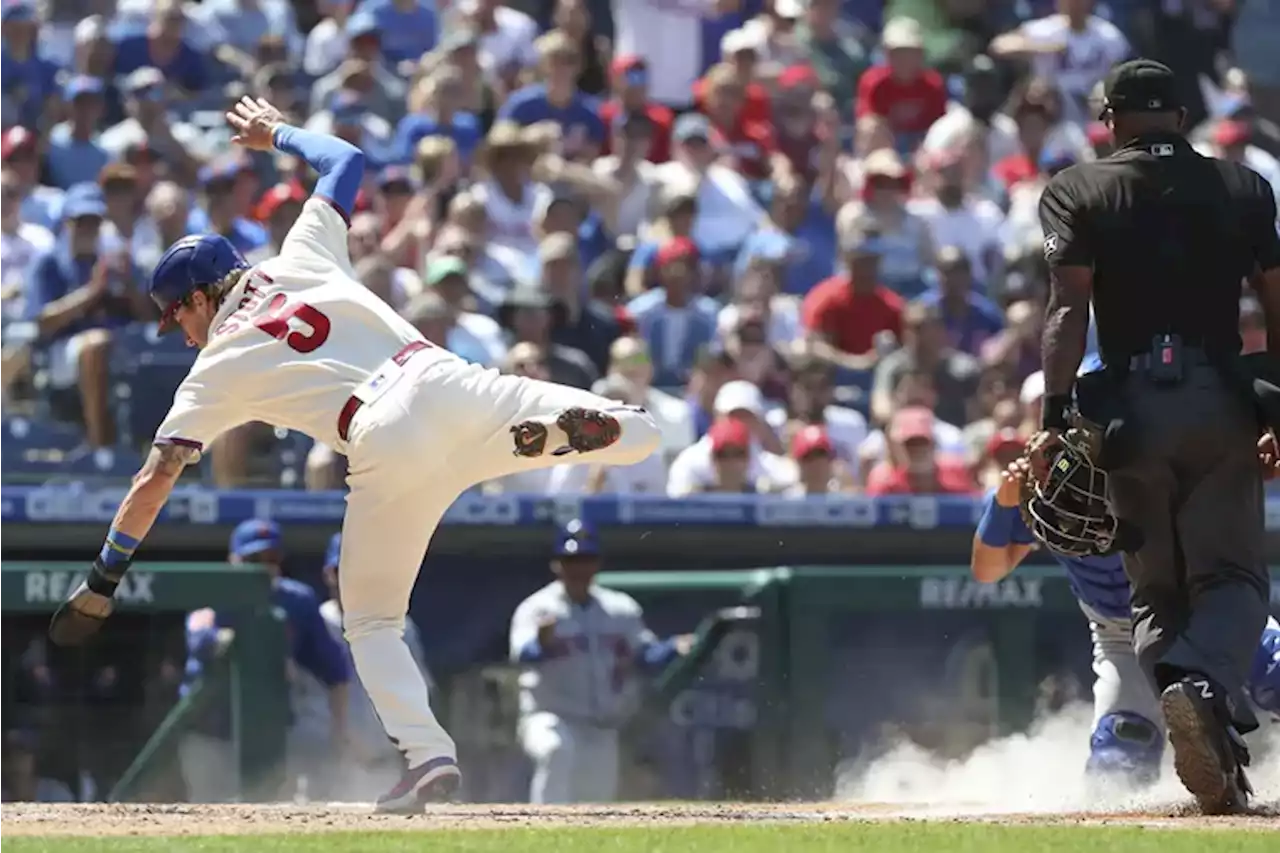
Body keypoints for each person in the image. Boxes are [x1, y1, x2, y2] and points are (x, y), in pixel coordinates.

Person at [44, 96, 662, 814]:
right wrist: (275, 133)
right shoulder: (303, 252)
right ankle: (622, 428)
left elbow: (155, 477)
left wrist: (103, 575)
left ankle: (427, 754)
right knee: (628, 428)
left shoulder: (217, 364)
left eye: (177, 312)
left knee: (369, 622)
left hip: (380, 437)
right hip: (443, 379)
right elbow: (347, 160)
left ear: (204, 294)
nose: (179, 333)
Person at [1034, 59, 1280, 813]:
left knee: (1154, 593)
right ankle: (1201, 688)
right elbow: (1277, 301)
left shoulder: (1078, 187)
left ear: (1110, 119)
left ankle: (1191, 703)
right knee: (1233, 579)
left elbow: (1067, 312)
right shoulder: (1243, 185)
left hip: (1127, 412)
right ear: (1180, 116)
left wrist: (1052, 417)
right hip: (1219, 400)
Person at [972, 458, 1280, 790]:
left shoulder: (1154, 463)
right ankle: (1214, 783)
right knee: (1116, 766)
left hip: (1201, 608)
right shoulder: (1037, 492)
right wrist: (1002, 507)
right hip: (1123, 635)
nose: (1083, 503)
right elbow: (988, 570)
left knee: (1275, 672)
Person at [509, 519, 691, 804]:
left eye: (585, 559)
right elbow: (522, 656)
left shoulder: (620, 608)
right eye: (571, 560)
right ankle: (539, 831)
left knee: (594, 806)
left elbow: (645, 657)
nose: (578, 568)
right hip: (550, 716)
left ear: (596, 563)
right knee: (556, 750)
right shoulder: (538, 608)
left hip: (600, 726)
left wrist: (674, 647)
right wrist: (542, 642)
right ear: (556, 564)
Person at [179, 519, 351, 803]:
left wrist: (340, 732)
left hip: (267, 734)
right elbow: (199, 641)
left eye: (270, 558)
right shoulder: (213, 591)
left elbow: (335, 670)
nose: (262, 566)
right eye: (252, 558)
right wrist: (241, 644)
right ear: (232, 560)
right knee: (208, 821)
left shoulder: (295, 600)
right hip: (209, 732)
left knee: (263, 814)